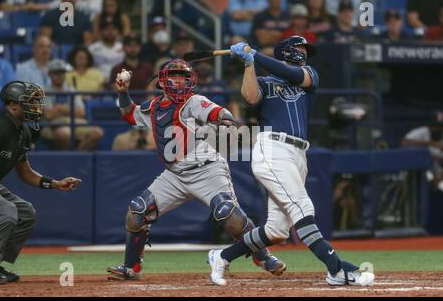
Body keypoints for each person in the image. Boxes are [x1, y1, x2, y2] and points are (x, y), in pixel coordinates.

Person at [207, 37, 375, 287]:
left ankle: (222, 256)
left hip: (298, 154)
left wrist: (255, 53)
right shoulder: (265, 81)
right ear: (285, 51)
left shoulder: (308, 76)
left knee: (276, 230)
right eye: (299, 49)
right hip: (272, 149)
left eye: (305, 50)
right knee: (302, 207)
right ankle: (336, 269)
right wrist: (249, 63)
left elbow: (291, 73)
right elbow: (250, 98)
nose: (303, 53)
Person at [106, 59, 286, 280]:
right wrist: (123, 91)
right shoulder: (152, 107)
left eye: (183, 76)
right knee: (137, 212)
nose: (180, 80)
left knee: (228, 214)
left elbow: (219, 112)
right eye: (175, 75)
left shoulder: (193, 101)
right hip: (174, 175)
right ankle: (131, 267)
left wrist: (226, 121)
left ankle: (263, 256)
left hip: (207, 169)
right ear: (162, 81)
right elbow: (129, 114)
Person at [0, 80, 81, 285]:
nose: (36, 106)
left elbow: (25, 172)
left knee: (26, 213)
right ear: (13, 104)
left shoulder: (23, 132)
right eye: (30, 101)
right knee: (6, 211)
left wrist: (56, 184)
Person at [41, 59, 104, 151]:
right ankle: (68, 159)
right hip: (52, 125)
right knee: (64, 134)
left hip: (74, 123)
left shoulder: (72, 90)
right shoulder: (45, 91)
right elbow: (49, 115)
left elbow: (81, 113)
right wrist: (70, 110)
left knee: (97, 132)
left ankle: (77, 157)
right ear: (50, 74)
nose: (59, 76)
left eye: (62, 72)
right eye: (56, 73)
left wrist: (59, 108)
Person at [402, 111, 443, 191]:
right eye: (436, 126)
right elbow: (405, 142)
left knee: (438, 182)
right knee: (428, 177)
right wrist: (431, 143)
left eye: (440, 126)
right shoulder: (423, 131)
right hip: (418, 168)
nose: (438, 128)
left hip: (436, 167)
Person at [88, 20, 124, 84]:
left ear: (118, 32)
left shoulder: (123, 48)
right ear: (101, 31)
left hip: (119, 83)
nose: (110, 32)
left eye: (113, 29)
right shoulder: (92, 48)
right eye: (107, 29)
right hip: (97, 83)